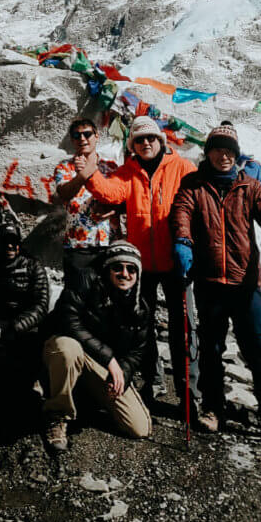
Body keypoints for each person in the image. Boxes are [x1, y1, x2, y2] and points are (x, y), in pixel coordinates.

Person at [171, 121, 261, 454]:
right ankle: (213, 409)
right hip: (210, 284)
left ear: (236, 156)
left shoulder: (250, 187)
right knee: (210, 352)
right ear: (208, 152)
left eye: (229, 151)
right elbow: (181, 212)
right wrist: (182, 240)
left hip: (247, 286)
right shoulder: (193, 185)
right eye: (217, 150)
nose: (224, 156)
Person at [75, 115, 198, 407]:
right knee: (142, 326)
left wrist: (193, 246)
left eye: (151, 138)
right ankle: (152, 381)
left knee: (184, 328)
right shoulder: (127, 172)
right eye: (139, 139)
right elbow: (111, 192)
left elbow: (197, 206)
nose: (145, 143)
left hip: (178, 262)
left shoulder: (183, 168)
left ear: (161, 141)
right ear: (133, 144)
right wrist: (90, 174)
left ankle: (189, 393)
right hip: (141, 265)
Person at [42, 241, 151, 451]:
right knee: (67, 349)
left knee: (140, 428)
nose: (124, 274)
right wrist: (110, 360)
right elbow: (68, 321)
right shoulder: (85, 281)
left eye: (131, 269)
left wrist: (123, 375)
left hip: (99, 364)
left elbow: (137, 352)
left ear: (138, 274)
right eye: (117, 267)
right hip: (70, 352)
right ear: (107, 268)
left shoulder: (140, 308)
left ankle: (85, 395)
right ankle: (56, 414)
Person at [0, 222, 49, 408]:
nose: (10, 246)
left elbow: (41, 305)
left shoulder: (33, 267)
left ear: (19, 244)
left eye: (14, 242)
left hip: (25, 327)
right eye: (5, 242)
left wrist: (17, 326)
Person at [53, 118, 121, 293]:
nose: (82, 139)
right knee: (77, 298)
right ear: (72, 140)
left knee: (107, 298)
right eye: (77, 135)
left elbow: (124, 198)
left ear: (96, 136)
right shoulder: (64, 168)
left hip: (108, 243)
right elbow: (65, 193)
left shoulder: (112, 168)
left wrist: (115, 209)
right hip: (78, 246)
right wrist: (84, 174)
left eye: (87, 134)